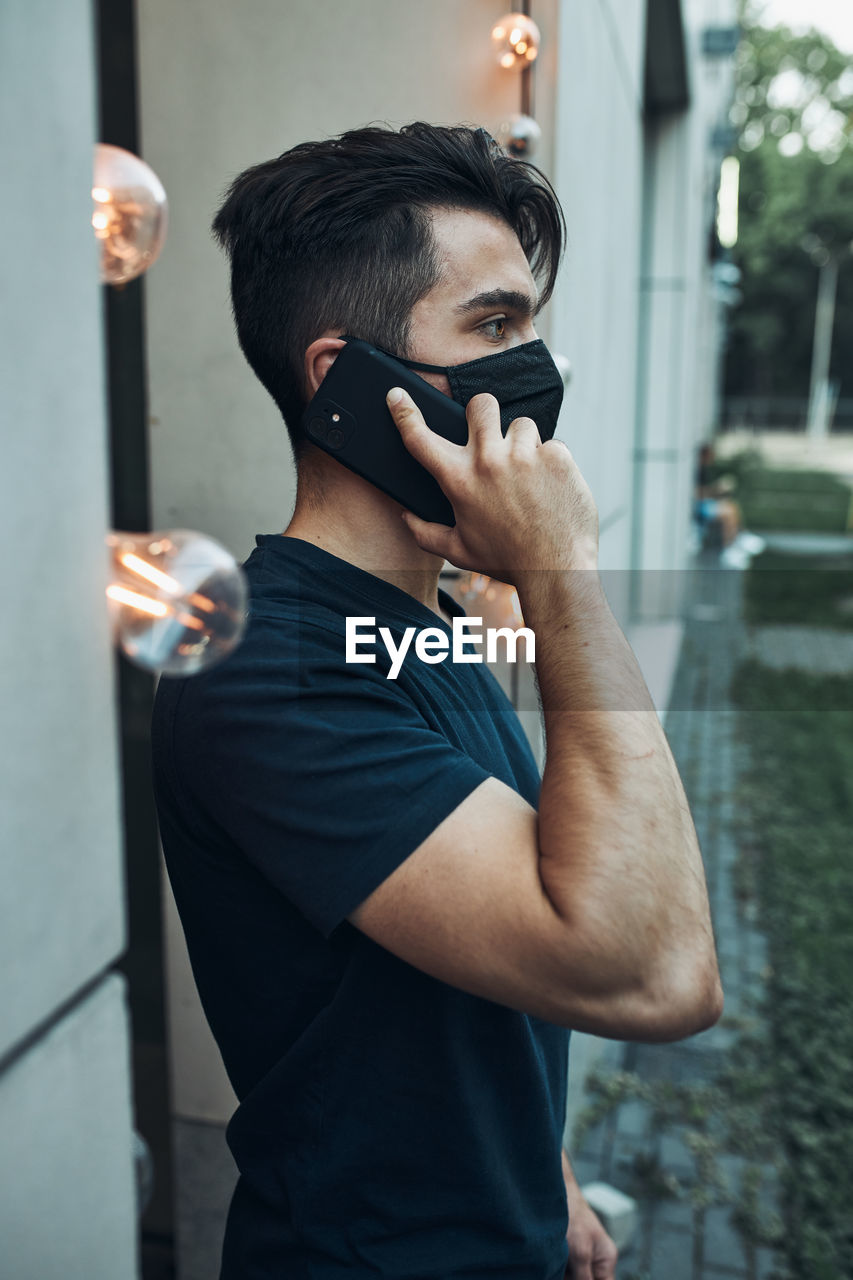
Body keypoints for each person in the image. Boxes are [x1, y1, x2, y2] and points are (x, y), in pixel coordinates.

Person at [151, 123, 722, 1280]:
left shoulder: (432, 606)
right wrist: (563, 581)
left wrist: (543, 1178)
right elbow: (652, 971)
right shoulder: (266, 666)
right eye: (495, 325)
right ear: (346, 381)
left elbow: (510, 910)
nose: (535, 368)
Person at [694, 442, 765, 568]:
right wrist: (715, 489)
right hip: (699, 507)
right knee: (727, 515)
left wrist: (718, 490)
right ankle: (729, 548)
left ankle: (739, 536)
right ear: (704, 455)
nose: (712, 459)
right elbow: (697, 493)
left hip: (705, 503)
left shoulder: (703, 470)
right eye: (710, 455)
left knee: (732, 506)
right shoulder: (697, 471)